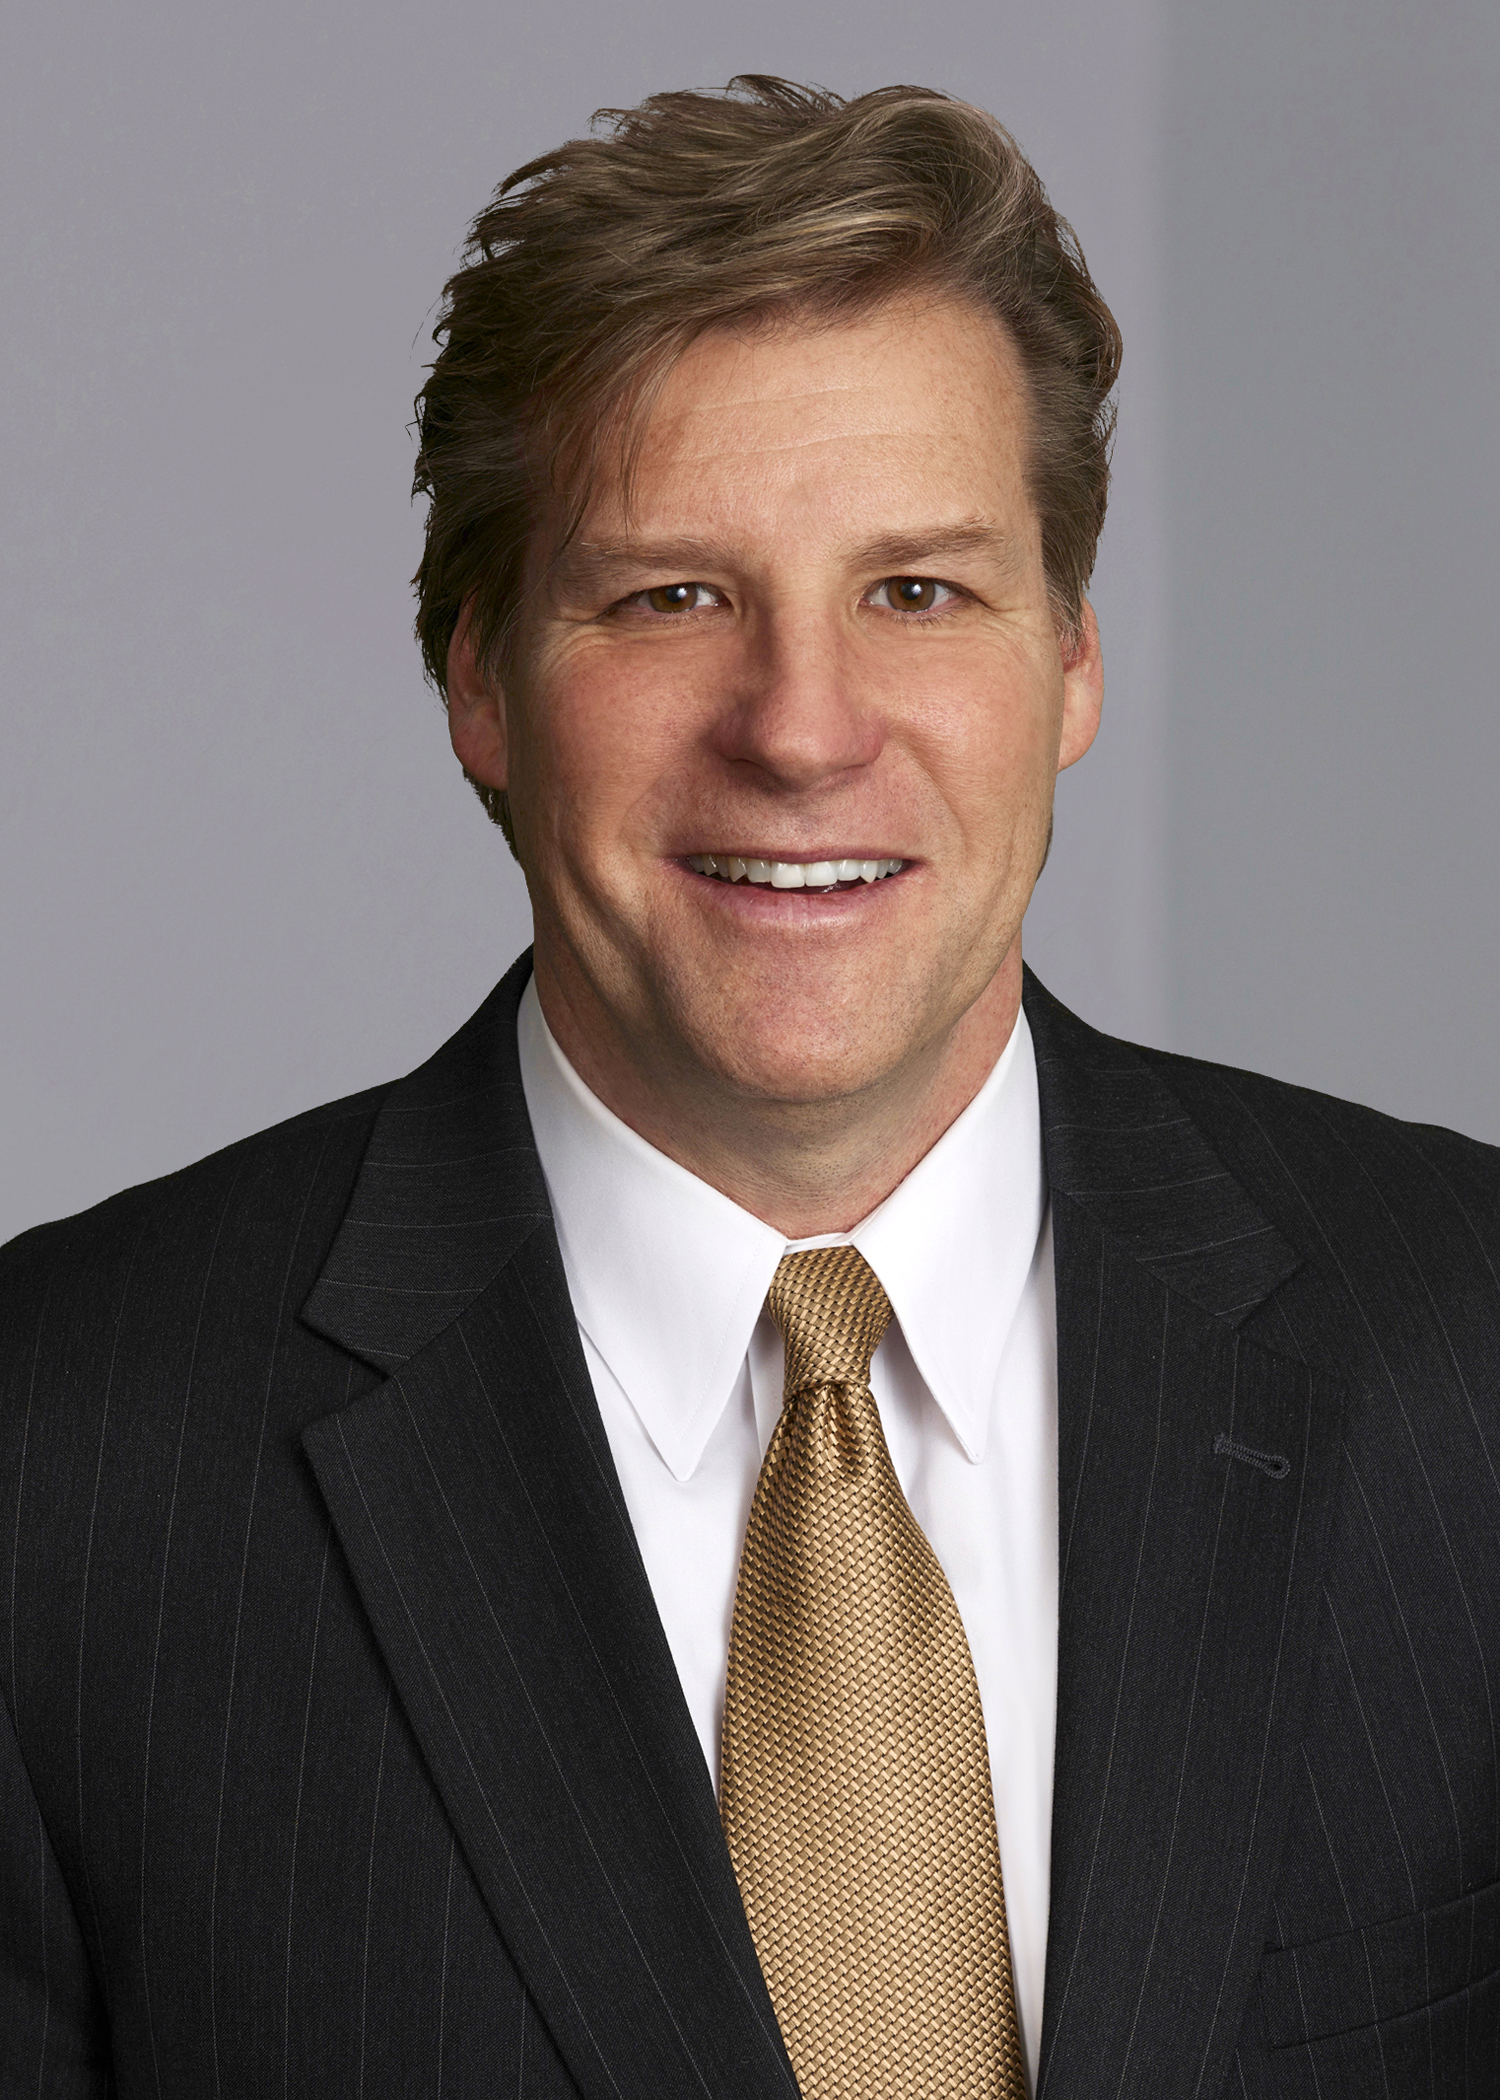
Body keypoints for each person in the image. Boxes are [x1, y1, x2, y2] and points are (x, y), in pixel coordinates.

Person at [1, 74, 1496, 2100]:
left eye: (918, 591)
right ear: (479, 675)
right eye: (671, 597)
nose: (801, 730)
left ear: (1069, 662)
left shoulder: (1467, 1348)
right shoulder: (57, 1467)